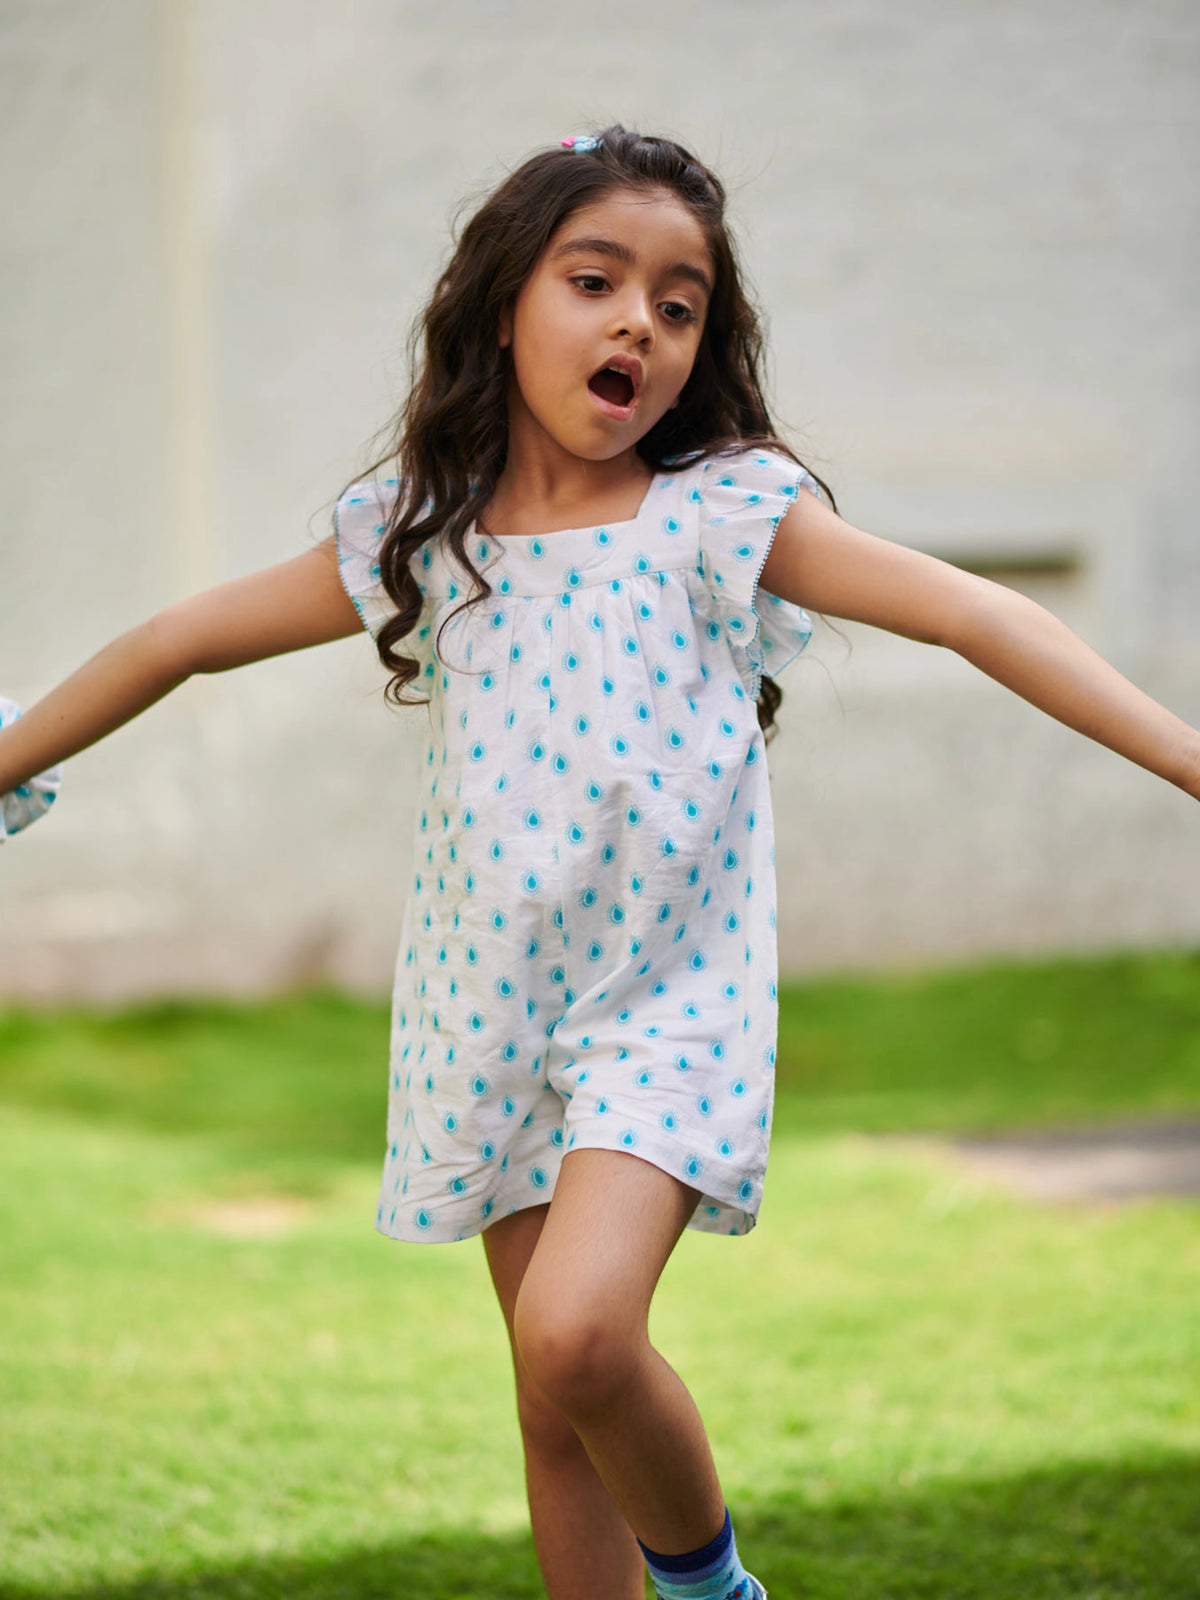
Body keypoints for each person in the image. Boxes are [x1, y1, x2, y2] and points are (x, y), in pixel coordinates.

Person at [2, 124, 1197, 1600]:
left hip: (665, 1009)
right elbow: (173, 643)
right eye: (597, 279)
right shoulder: (425, 538)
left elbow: (976, 615)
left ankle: (711, 1589)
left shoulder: (722, 517)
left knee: (579, 1333)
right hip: (484, 1007)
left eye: (681, 303)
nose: (642, 318)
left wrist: (1187, 756)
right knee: (550, 1404)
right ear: (505, 302)